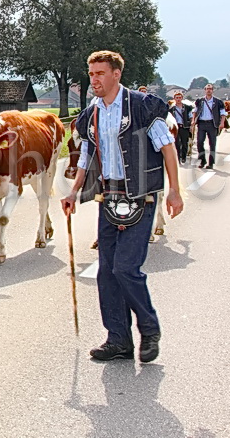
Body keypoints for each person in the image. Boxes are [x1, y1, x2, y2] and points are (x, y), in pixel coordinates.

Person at [61, 51, 184, 364]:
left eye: (100, 73)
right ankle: (118, 340)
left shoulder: (142, 107)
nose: (95, 80)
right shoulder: (92, 114)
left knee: (125, 269)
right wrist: (74, 192)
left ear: (116, 74)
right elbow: (86, 156)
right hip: (108, 198)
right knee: (106, 274)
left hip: (141, 198)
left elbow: (167, 148)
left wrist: (174, 192)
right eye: (91, 74)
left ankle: (149, 328)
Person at [190, 84, 227, 169]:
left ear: (212, 90)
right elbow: (195, 111)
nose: (209, 90)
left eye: (210, 89)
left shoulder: (218, 101)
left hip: (212, 124)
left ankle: (211, 163)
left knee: (212, 144)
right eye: (207, 89)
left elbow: (223, 113)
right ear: (205, 90)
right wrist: (193, 120)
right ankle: (202, 160)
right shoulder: (200, 100)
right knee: (199, 142)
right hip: (202, 123)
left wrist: (222, 123)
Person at [168, 92, 193, 164]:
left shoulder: (187, 107)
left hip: (184, 127)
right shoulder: (172, 109)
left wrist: (191, 125)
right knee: (177, 144)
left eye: (179, 97)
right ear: (174, 99)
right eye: (177, 98)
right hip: (176, 128)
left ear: (182, 98)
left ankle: (184, 157)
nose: (178, 99)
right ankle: (178, 158)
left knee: (184, 143)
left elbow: (190, 117)